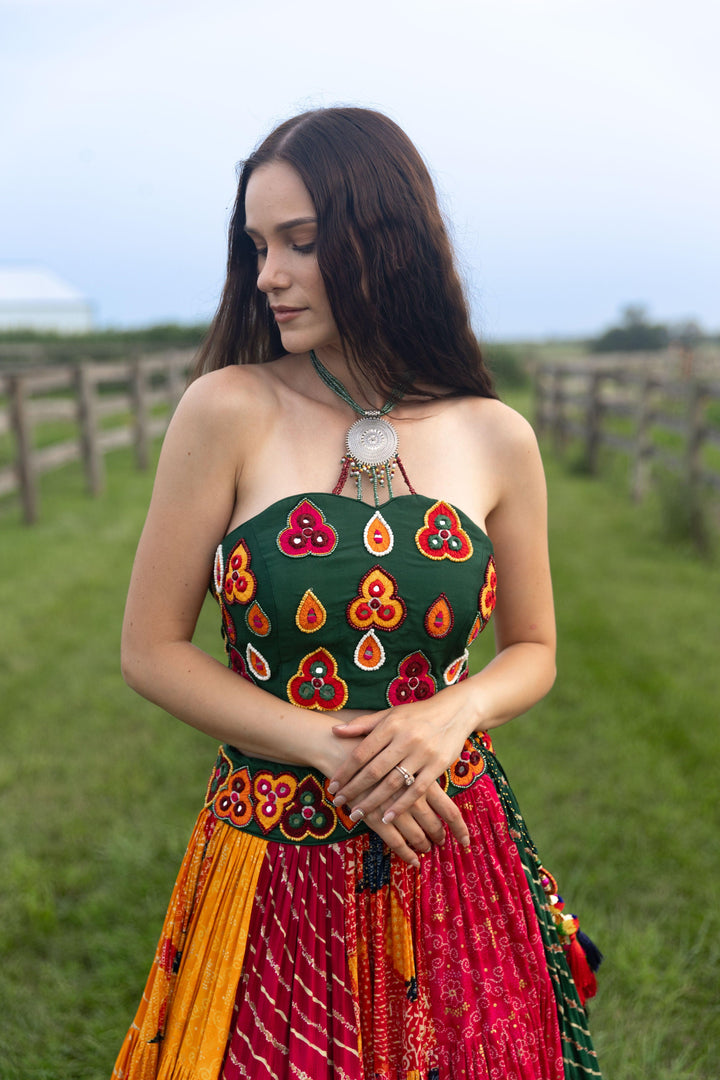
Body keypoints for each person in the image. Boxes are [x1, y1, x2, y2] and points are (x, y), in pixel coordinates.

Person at [112, 107, 602, 1080]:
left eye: (300, 241)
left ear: (385, 237)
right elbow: (151, 649)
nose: (268, 276)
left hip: (451, 842)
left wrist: (449, 714)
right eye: (257, 246)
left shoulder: (494, 434)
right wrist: (328, 752)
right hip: (273, 858)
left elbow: (534, 648)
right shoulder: (227, 410)